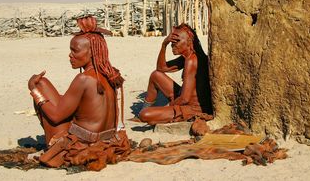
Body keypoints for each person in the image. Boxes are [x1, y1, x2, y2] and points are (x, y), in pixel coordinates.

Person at [27, 16, 130, 171]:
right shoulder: (111, 75)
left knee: (39, 85)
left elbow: (55, 116)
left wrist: (34, 91)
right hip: (107, 139)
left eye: (75, 51)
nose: (70, 55)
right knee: (44, 82)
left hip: (84, 143)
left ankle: (50, 146)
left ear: (92, 52)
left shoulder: (83, 79)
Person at [138, 23, 213, 125]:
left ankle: (150, 115)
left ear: (189, 42)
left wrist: (168, 107)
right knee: (155, 75)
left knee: (145, 115)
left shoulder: (192, 61)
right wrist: (164, 45)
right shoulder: (187, 57)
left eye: (177, 41)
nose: (173, 45)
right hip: (184, 99)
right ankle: (147, 110)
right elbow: (161, 68)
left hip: (193, 108)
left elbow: (185, 99)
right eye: (172, 42)